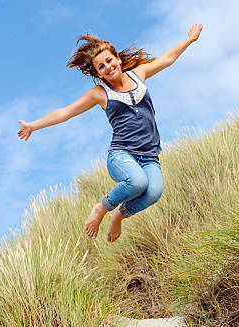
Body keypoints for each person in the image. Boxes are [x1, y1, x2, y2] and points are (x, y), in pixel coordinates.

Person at [18, 24, 203, 243]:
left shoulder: (138, 74)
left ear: (117, 58)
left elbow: (167, 59)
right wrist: (33, 125)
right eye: (101, 67)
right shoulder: (99, 94)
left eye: (109, 61)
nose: (107, 67)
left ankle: (119, 215)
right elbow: (65, 112)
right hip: (122, 154)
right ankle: (101, 208)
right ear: (98, 74)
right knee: (136, 182)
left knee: (154, 192)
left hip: (150, 156)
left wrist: (189, 40)